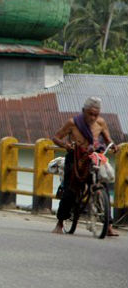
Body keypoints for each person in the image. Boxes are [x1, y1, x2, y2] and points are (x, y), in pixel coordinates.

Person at [51, 96, 118, 236]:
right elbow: (56, 137)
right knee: (71, 189)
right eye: (90, 113)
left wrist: (113, 146)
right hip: (75, 158)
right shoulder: (72, 123)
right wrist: (66, 145)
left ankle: (109, 225)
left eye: (96, 114)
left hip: (93, 158)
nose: (93, 117)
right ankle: (60, 223)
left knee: (103, 185)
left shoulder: (101, 123)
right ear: (83, 111)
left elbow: (108, 139)